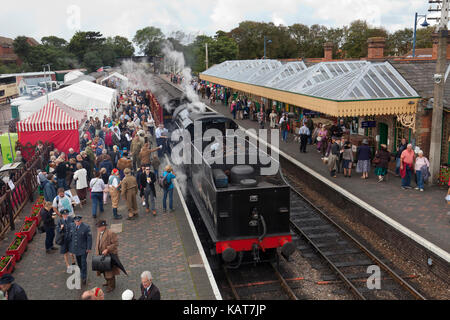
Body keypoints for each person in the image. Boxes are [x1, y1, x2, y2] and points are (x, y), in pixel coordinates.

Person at [95, 220, 121, 293]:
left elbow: (115, 244)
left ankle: (112, 286)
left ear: (104, 226)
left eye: (99, 227)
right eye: (98, 227)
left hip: (108, 256)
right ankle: (107, 282)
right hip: (100, 256)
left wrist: (107, 249)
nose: (98, 228)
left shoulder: (110, 233)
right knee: (103, 270)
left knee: (110, 272)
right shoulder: (99, 232)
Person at [68, 216, 92, 286]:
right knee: (79, 262)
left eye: (78, 221)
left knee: (83, 262)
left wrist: (88, 248)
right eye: (76, 221)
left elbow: (89, 238)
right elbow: (70, 238)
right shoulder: (72, 226)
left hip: (83, 249)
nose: (77, 222)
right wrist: (70, 249)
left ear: (81, 220)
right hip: (76, 249)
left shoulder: (86, 227)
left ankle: (84, 277)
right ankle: (81, 271)